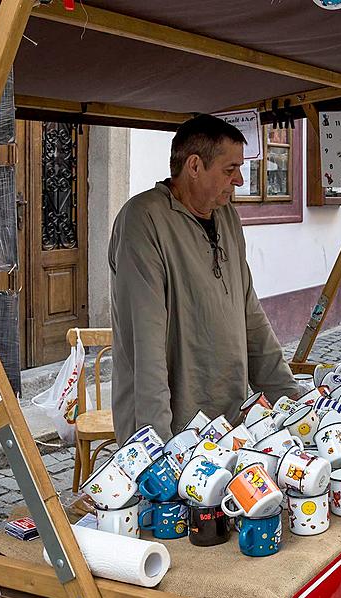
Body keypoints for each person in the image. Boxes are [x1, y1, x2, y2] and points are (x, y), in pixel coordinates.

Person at [109, 114, 300, 443]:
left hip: (229, 419)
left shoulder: (227, 216)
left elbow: (250, 314)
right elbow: (147, 341)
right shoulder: (144, 220)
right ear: (194, 166)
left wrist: (293, 398)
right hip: (172, 427)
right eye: (230, 170)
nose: (239, 180)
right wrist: (156, 445)